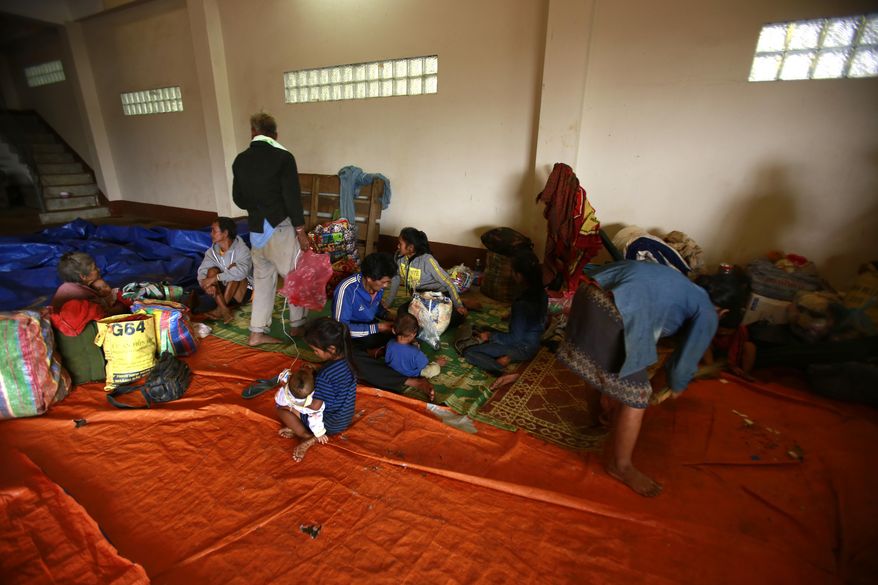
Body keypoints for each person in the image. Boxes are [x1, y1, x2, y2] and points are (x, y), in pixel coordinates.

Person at [557, 260, 750, 497]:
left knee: (599, 363)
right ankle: (621, 466)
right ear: (724, 312)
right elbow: (681, 367)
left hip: (587, 293)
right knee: (637, 396)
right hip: (614, 310)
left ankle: (597, 418)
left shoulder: (685, 285)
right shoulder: (709, 312)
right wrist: (677, 385)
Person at [231, 112, 310, 346]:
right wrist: (301, 231)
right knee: (295, 275)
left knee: (263, 279)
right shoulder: (283, 157)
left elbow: (238, 198)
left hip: (256, 228)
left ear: (253, 132)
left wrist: (258, 208)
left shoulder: (240, 160)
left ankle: (256, 333)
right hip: (280, 227)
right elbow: (292, 198)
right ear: (275, 134)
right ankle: (298, 325)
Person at [333, 253, 434, 400]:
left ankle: (379, 351)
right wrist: (378, 328)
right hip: (346, 336)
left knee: (409, 332)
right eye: (384, 282)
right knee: (351, 360)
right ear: (369, 278)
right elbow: (340, 328)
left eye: (388, 282)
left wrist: (395, 319)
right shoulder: (347, 289)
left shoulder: (377, 287)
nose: (386, 286)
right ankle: (411, 381)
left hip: (369, 328)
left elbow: (377, 310)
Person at [461, 250, 548, 388]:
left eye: (512, 271)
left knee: (469, 352)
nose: (511, 274)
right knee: (482, 329)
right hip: (533, 341)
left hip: (522, 347)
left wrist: (490, 336)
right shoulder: (541, 293)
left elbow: (515, 338)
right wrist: (512, 316)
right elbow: (537, 317)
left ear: (519, 275)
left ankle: (502, 371)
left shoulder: (522, 304)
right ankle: (505, 356)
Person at [276, 317, 357, 462]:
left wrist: (290, 393)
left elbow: (315, 407)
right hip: (345, 415)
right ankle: (302, 428)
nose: (314, 353)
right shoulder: (348, 359)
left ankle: (306, 435)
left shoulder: (324, 377)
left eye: (315, 350)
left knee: (282, 408)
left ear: (331, 349)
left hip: (330, 423)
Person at [384, 227, 474, 326]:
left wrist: (459, 305)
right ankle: (453, 304)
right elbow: (396, 278)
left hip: (438, 295)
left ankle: (458, 302)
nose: (397, 246)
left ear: (411, 247)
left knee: (444, 319)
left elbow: (448, 282)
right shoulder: (399, 257)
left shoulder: (427, 260)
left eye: (400, 244)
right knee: (402, 313)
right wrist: (388, 302)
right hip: (420, 298)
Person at [197, 217, 253, 323]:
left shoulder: (242, 250)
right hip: (223, 292)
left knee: (234, 269)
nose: (211, 234)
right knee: (211, 271)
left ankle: (220, 309)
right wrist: (206, 285)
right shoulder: (211, 252)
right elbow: (202, 271)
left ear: (225, 233)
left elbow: (242, 272)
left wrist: (215, 278)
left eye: (214, 231)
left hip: (244, 291)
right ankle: (224, 309)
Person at [51, 252, 128, 316]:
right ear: (83, 277)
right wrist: (122, 307)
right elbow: (103, 316)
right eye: (94, 268)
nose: (99, 269)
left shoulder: (64, 287)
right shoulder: (84, 295)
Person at [275, 368, 327, 460]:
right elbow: (315, 418)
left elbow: (283, 377)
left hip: (299, 412)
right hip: (312, 419)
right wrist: (319, 432)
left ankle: (303, 434)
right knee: (313, 418)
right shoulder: (313, 403)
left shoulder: (287, 391)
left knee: (280, 410)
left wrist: (286, 377)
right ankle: (305, 434)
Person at [385, 312, 447, 379]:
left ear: (393, 330)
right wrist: (436, 363)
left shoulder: (390, 343)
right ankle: (438, 364)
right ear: (413, 334)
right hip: (412, 374)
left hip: (394, 371)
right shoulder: (416, 353)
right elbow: (423, 364)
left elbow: (387, 360)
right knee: (434, 369)